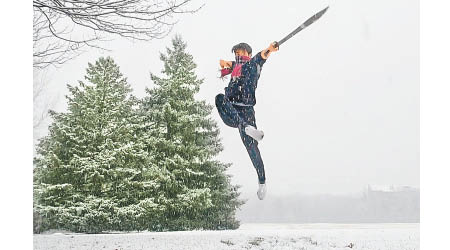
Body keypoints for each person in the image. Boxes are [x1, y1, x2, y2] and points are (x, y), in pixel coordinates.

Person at [215, 42, 278, 200]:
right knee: (219, 98)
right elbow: (228, 64)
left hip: (247, 110)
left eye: (242, 53)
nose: (239, 56)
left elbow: (263, 55)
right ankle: (245, 127)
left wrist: (271, 48)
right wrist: (225, 65)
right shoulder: (236, 66)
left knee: (252, 148)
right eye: (236, 53)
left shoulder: (253, 63)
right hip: (231, 111)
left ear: (248, 54)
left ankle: (262, 182)